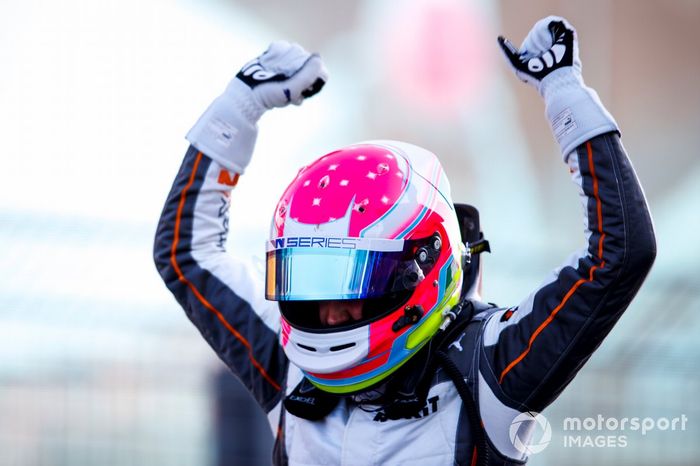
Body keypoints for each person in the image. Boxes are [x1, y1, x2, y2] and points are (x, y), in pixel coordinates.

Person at [154, 16, 656, 466]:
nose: (328, 314)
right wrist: (237, 108)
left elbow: (622, 252)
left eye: (350, 284)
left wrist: (565, 93)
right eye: (305, 279)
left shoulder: (489, 367)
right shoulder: (288, 364)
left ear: (420, 265)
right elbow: (187, 254)